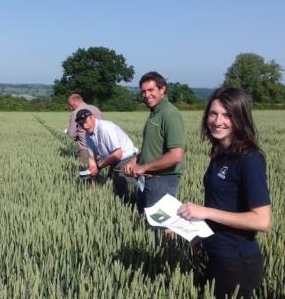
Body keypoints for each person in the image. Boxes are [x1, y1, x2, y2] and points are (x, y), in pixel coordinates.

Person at [178, 87, 271, 299]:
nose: (218, 121)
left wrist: (205, 212)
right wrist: (199, 233)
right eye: (213, 113)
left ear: (240, 118)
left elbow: (262, 221)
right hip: (216, 253)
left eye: (227, 115)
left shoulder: (249, 159)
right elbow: (222, 204)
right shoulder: (220, 154)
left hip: (237, 262)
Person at [124, 71, 184, 212]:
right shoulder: (155, 112)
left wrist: (144, 167)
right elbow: (151, 147)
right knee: (144, 223)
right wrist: (135, 160)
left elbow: (176, 155)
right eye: (143, 91)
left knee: (156, 227)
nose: (146, 95)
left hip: (161, 180)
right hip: (147, 179)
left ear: (162, 89)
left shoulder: (169, 113)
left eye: (151, 90)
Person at [75, 109, 138, 200]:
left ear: (93, 117)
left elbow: (117, 154)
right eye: (81, 124)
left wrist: (99, 166)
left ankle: (134, 207)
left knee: (125, 191)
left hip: (127, 159)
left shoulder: (105, 128)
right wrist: (93, 180)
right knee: (110, 186)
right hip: (113, 161)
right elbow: (92, 157)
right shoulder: (88, 135)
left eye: (86, 121)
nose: (84, 126)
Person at [66, 93, 101, 170]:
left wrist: (68, 133)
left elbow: (72, 134)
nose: (70, 107)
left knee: (86, 172)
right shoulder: (95, 109)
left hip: (85, 148)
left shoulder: (76, 113)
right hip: (99, 147)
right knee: (98, 170)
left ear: (76, 103)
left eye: (71, 105)